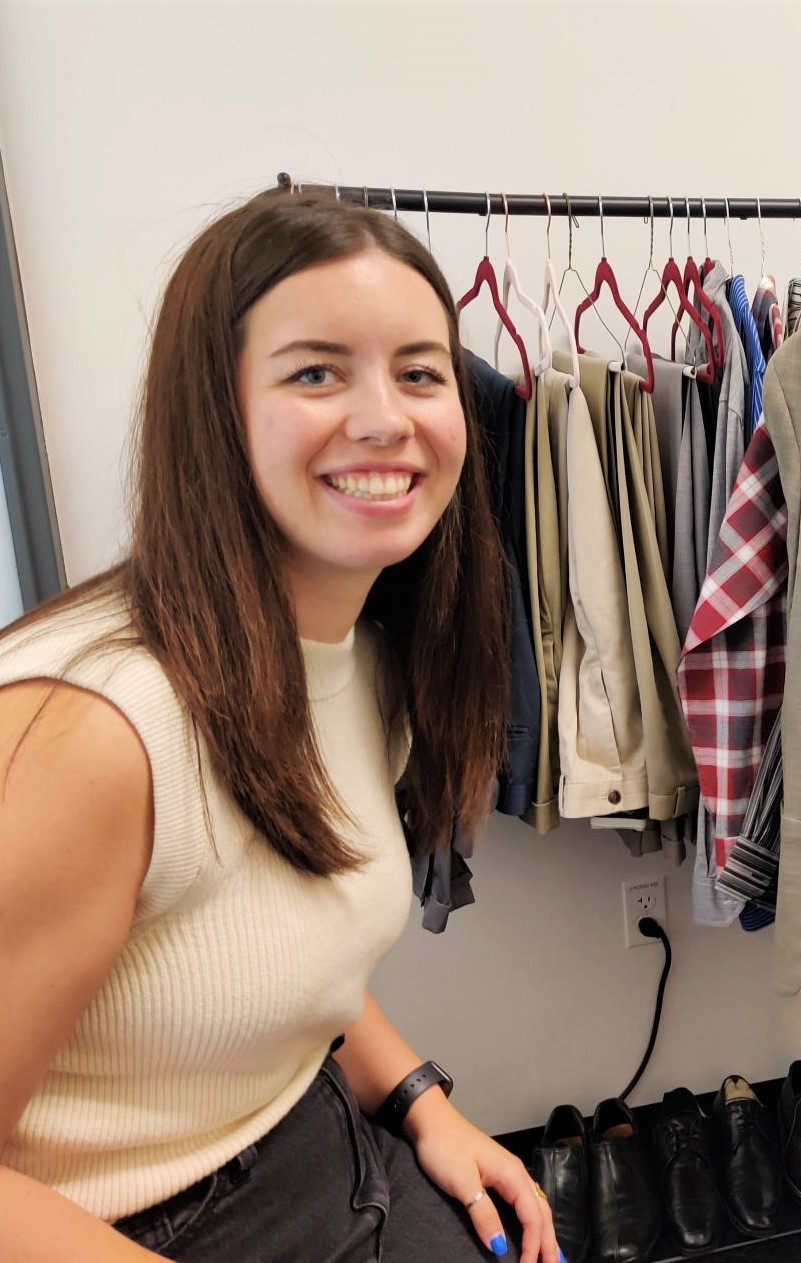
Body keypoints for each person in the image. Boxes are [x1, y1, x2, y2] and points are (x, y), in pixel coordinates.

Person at [0, 190, 563, 1262]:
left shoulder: (373, 662)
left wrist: (420, 1101)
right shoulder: (93, 733)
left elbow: (289, 959)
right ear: (217, 410)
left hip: (310, 1135)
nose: (385, 419)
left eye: (420, 372)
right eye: (315, 373)